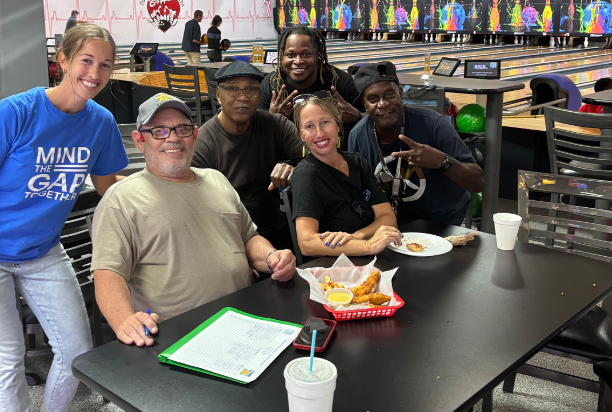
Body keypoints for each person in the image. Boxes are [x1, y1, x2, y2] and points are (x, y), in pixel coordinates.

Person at [0, 24, 128, 412]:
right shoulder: (15, 112)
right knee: (8, 359)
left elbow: (110, 188)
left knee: (77, 352)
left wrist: (158, 188)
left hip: (41, 250)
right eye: (86, 61)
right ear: (62, 60)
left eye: (106, 66)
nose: (95, 74)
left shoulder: (101, 123)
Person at [91, 93, 297, 347]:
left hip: (244, 318)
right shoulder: (121, 199)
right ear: (139, 141)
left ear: (195, 135)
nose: (174, 138)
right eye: (159, 131)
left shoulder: (216, 180)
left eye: (182, 129)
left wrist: (271, 258)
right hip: (175, 335)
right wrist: (124, 320)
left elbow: (247, 237)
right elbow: (108, 273)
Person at [349, 62, 484, 226]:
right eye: (373, 99)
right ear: (364, 104)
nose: (383, 103)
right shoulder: (358, 136)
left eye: (390, 94)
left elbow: (477, 182)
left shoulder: (434, 125)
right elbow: (358, 192)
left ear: (400, 93)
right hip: (390, 224)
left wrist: (442, 161)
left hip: (442, 222)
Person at [193, 61, 303, 253]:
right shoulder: (203, 143)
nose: (243, 97)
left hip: (278, 229)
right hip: (230, 238)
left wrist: (293, 167)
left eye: (251, 90)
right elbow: (198, 207)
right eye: (233, 89)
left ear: (259, 95)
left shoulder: (278, 125)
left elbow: (311, 163)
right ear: (218, 95)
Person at [290, 93, 401, 257]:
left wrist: (357, 237)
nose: (319, 133)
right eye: (309, 126)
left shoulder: (357, 162)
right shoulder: (306, 175)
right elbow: (307, 243)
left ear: (338, 125)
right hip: (336, 268)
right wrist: (368, 245)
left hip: (375, 255)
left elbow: (388, 217)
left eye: (325, 122)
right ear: (301, 135)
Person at [258, 26, 362, 150]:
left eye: (306, 54)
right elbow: (255, 135)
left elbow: (372, 122)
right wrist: (272, 120)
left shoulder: (341, 81)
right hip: (288, 159)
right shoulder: (271, 84)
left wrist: (357, 116)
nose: (298, 61)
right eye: (290, 55)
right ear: (282, 56)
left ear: (317, 55)